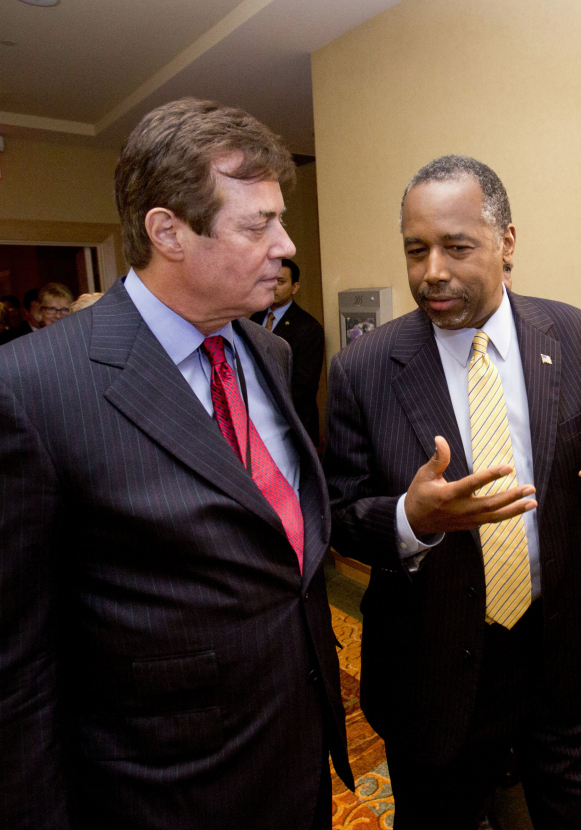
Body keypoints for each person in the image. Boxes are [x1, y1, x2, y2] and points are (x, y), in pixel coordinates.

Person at [0, 98, 352, 829]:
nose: (286, 245)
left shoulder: (271, 352)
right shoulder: (32, 388)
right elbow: (18, 668)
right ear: (167, 232)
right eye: (258, 224)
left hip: (297, 752)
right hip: (163, 793)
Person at [325, 155, 581, 829]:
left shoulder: (571, 335)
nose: (431, 272)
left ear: (505, 242)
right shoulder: (363, 368)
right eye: (415, 250)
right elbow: (336, 514)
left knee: (573, 814)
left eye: (456, 247)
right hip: (431, 663)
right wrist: (408, 518)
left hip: (556, 649)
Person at [250, 258, 325, 448]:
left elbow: (303, 388)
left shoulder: (308, 328)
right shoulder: (255, 317)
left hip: (293, 425)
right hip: (255, 423)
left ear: (295, 287)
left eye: (281, 282)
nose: (274, 286)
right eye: (270, 280)